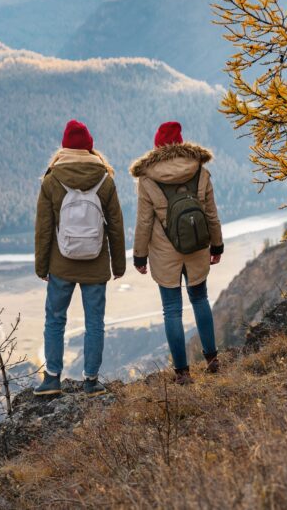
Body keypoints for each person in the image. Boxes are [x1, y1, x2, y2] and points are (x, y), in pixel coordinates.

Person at [34, 119, 126, 396]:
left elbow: (44, 228)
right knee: (94, 322)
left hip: (61, 264)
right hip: (96, 263)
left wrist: (42, 267)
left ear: (63, 147)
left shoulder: (51, 180)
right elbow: (116, 225)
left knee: (55, 319)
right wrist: (118, 265)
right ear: (89, 148)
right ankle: (91, 381)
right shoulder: (104, 180)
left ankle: (52, 379)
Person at [130, 121, 223, 385]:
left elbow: (144, 222)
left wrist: (139, 256)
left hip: (164, 252)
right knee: (200, 299)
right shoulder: (199, 170)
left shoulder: (147, 178)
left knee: (172, 310)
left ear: (158, 146)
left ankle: (182, 373)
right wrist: (217, 245)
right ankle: (212, 359)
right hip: (197, 246)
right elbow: (210, 213)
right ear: (181, 144)